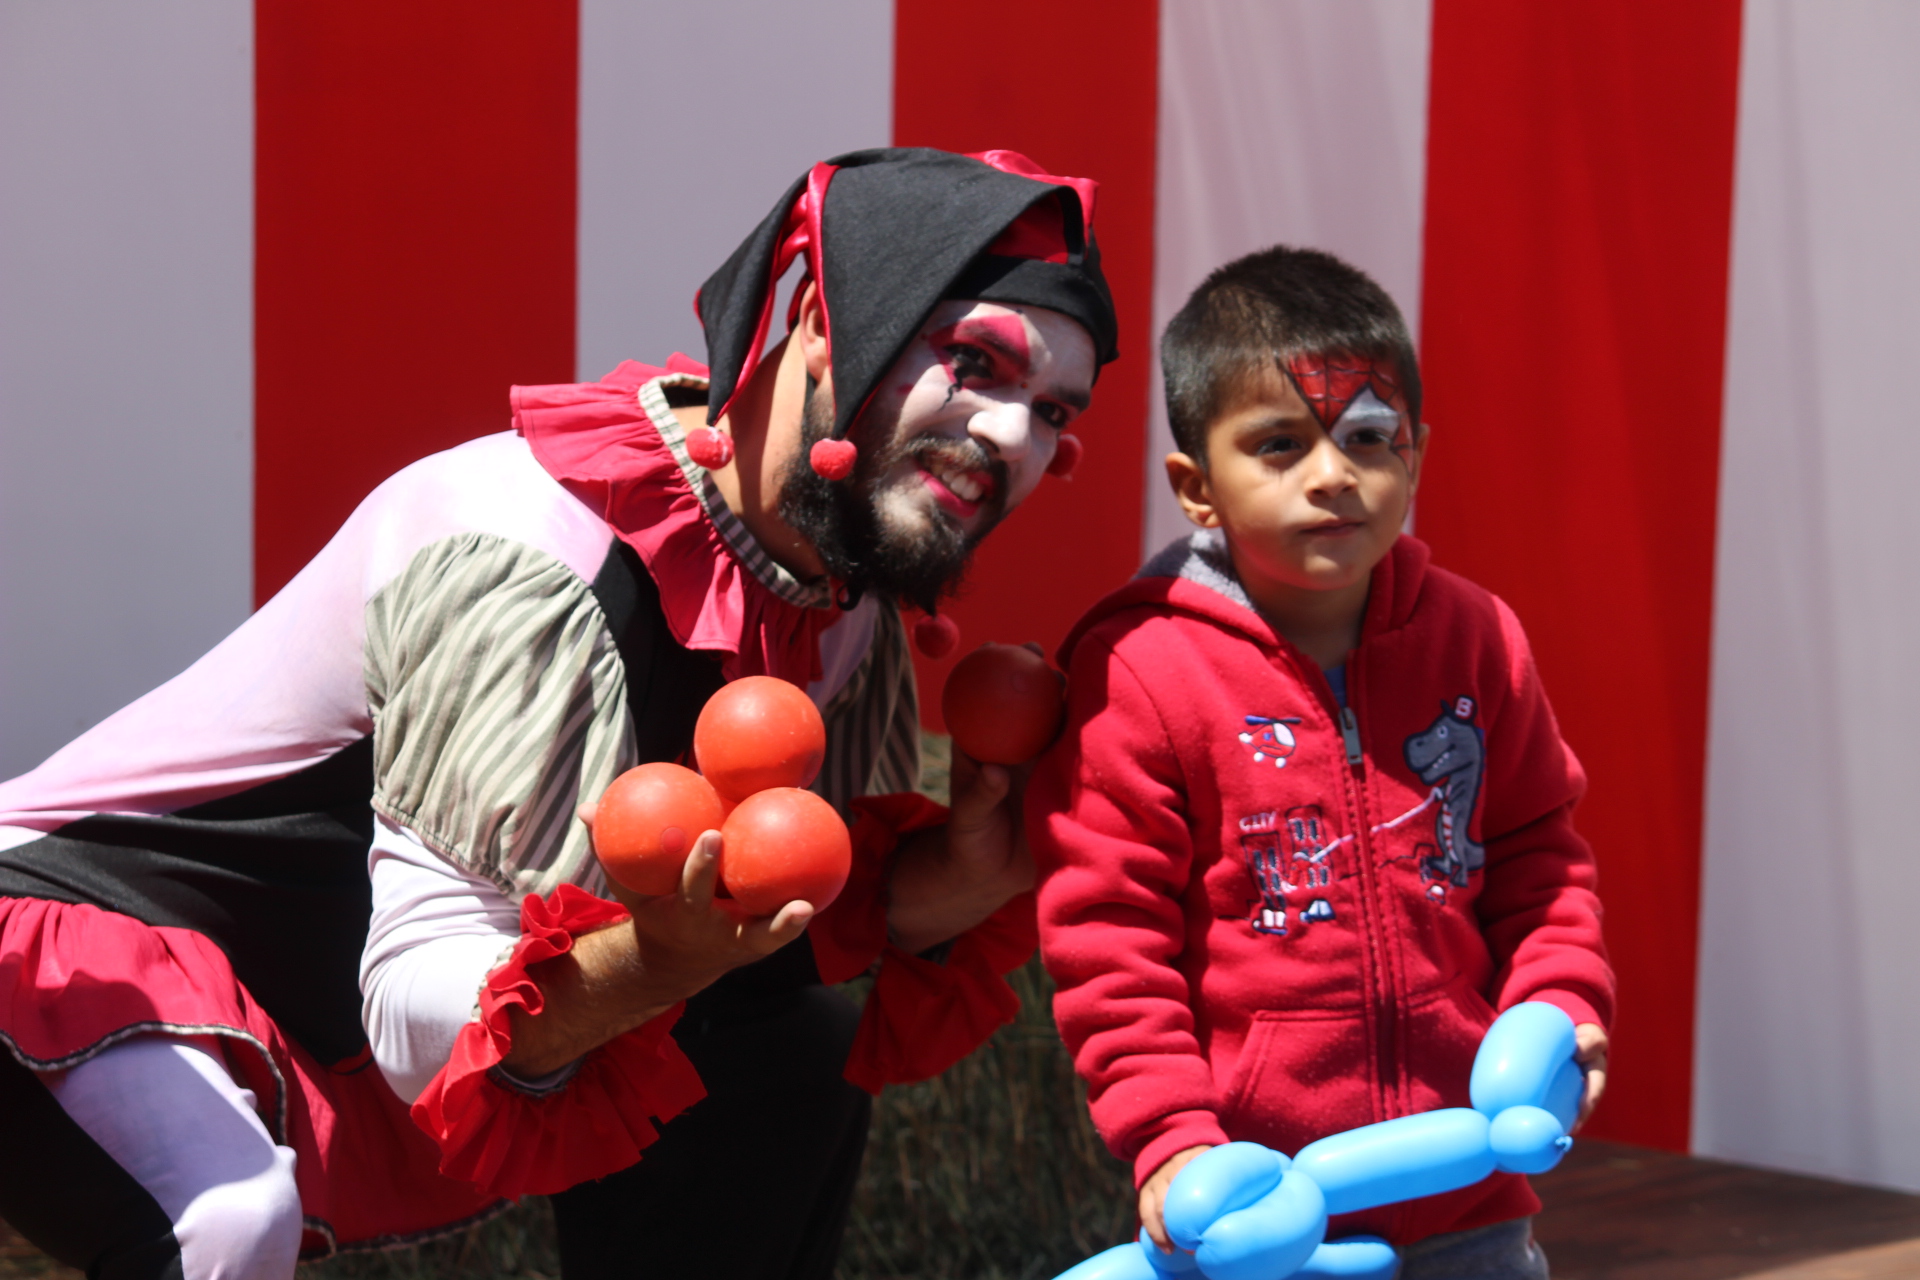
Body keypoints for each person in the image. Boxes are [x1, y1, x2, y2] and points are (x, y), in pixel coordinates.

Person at [0, 147, 1118, 1280]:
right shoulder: (536, 552)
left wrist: (982, 868)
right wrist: (650, 966)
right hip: (70, 948)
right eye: (975, 363)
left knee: (785, 1047)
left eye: (1052, 412)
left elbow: (781, 937)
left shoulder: (839, 615)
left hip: (297, 1002)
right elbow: (421, 1012)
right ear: (827, 325)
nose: (1011, 438)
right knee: (230, 1221)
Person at [1027, 246, 1614, 1278]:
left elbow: (1540, 857)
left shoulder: (1478, 639)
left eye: (1370, 437)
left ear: (1416, 459)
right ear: (1196, 488)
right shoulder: (1141, 671)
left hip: (1470, 1189)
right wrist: (1172, 1135)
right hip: (1265, 1209)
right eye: (1280, 444)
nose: (1335, 473)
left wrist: (1562, 998)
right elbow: (1110, 937)